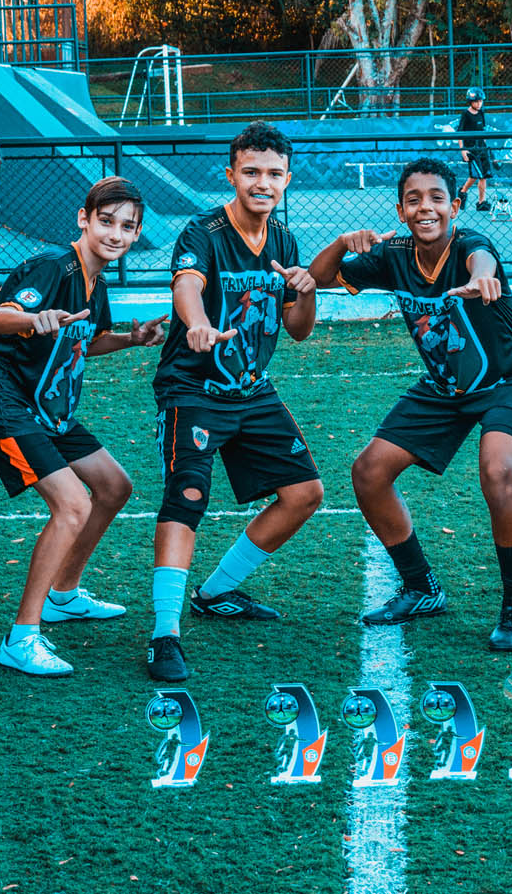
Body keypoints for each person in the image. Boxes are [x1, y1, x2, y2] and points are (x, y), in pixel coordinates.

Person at [310, 157, 512, 651]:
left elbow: (483, 258)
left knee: (497, 471)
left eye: (437, 198)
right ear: (400, 210)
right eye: (413, 200)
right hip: (444, 385)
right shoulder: (393, 255)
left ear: (455, 205)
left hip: (505, 380)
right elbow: (318, 277)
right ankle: (421, 588)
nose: (426, 208)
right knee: (368, 473)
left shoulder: (471, 245)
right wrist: (342, 243)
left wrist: (483, 278)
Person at [0, 176, 166, 677]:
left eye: (128, 227)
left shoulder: (97, 282)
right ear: (83, 219)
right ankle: (21, 637)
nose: (116, 234)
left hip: (47, 407)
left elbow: (86, 342)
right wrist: (34, 319)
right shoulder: (53, 266)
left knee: (114, 486)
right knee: (72, 505)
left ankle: (64, 595)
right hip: (1, 400)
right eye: (106, 221)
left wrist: (131, 340)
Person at [145, 121, 323, 682]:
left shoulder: (284, 241)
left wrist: (306, 292)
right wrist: (197, 323)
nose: (262, 183)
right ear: (231, 175)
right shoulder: (203, 232)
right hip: (193, 390)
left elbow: (298, 330)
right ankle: (164, 634)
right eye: (251, 172)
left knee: (304, 494)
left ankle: (216, 592)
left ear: (287, 179)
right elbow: (187, 284)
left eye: (273, 173)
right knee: (188, 496)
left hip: (251, 389)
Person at [456, 88, 494, 212]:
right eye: (476, 101)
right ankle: (462, 191)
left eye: (481, 101)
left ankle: (481, 202)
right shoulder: (465, 114)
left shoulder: (481, 112)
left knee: (484, 176)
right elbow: (460, 133)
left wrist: (486, 145)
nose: (479, 104)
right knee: (475, 175)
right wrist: (463, 150)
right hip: (471, 149)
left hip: (482, 148)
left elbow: (483, 129)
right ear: (470, 102)